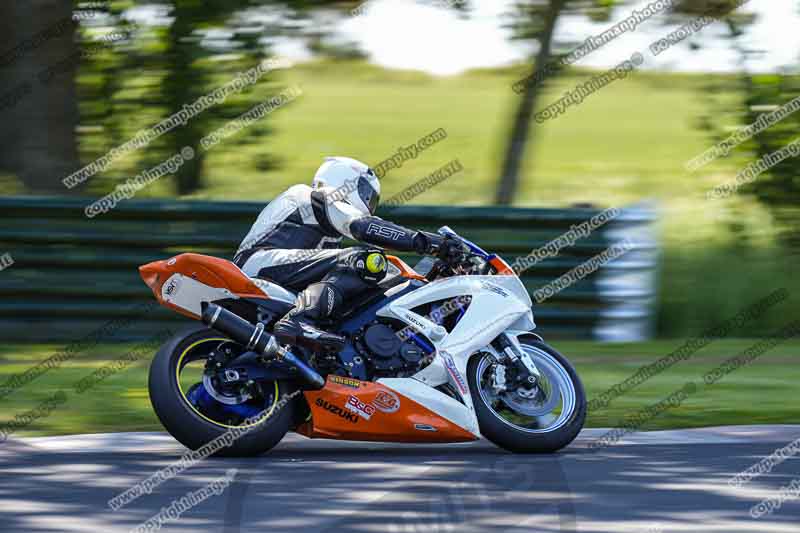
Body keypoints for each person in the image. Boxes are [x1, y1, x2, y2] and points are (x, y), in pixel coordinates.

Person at [233, 156, 466, 352]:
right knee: (364, 260)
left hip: (278, 271)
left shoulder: (325, 224)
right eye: (367, 194)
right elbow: (364, 227)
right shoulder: (316, 195)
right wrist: (428, 242)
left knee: (363, 279)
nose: (369, 203)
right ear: (347, 181)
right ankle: (298, 321)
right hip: (259, 263)